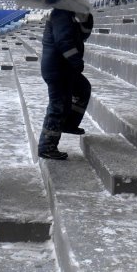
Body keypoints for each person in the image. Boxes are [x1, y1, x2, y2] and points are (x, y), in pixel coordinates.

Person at [38, 8, 94, 160]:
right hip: (57, 69)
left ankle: (68, 124)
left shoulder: (70, 14)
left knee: (83, 89)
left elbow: (83, 35)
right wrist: (76, 61)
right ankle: (46, 146)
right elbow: (63, 41)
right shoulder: (60, 14)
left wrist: (86, 18)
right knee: (58, 106)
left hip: (65, 68)